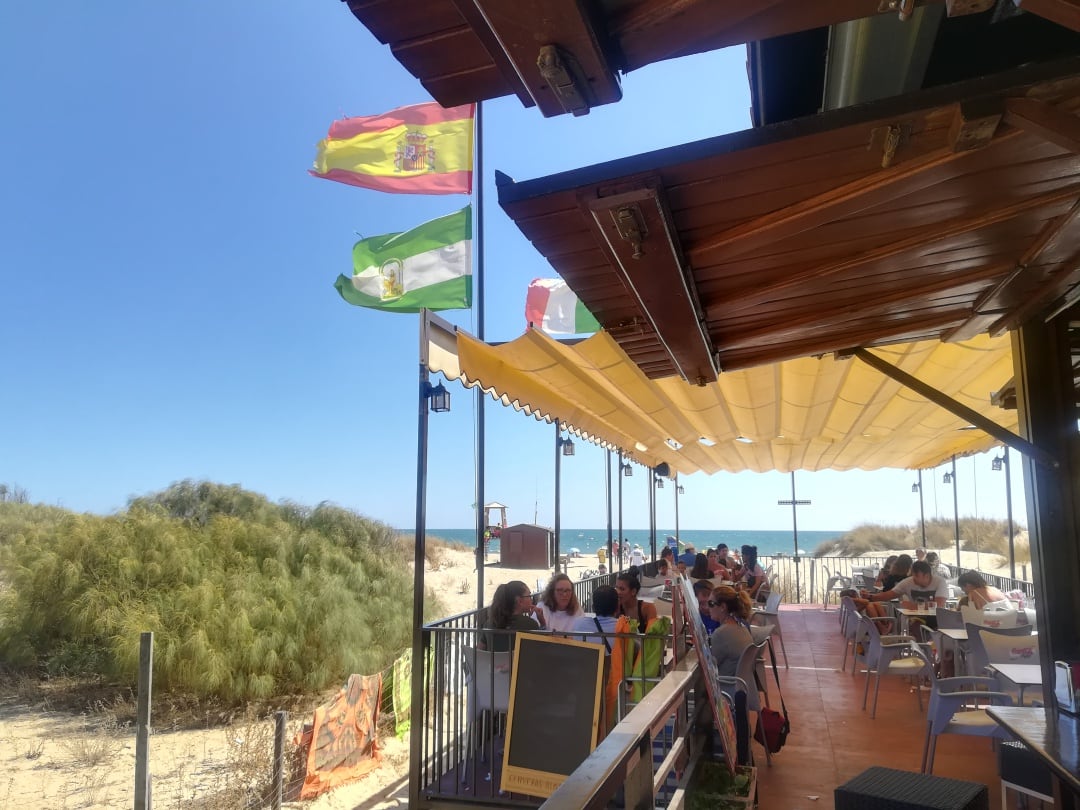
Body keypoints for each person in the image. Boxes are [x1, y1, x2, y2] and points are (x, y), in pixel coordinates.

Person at [478, 581, 541, 651]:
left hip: (492, 662)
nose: (531, 600)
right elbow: (541, 650)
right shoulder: (531, 625)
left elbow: (480, 651)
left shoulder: (489, 624)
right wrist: (542, 622)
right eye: (529, 596)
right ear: (519, 601)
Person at [708, 585, 754, 678]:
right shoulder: (742, 626)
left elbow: (710, 666)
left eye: (711, 603)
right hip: (740, 686)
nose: (708, 607)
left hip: (724, 687)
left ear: (723, 607)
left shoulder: (721, 634)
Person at [865, 560, 948, 610]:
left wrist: (912, 606)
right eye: (913, 575)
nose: (913, 578)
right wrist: (870, 597)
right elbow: (889, 594)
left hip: (936, 618)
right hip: (915, 617)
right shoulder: (908, 582)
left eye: (916, 576)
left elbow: (939, 606)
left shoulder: (940, 582)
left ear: (926, 576)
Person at [570, 585, 619, 650]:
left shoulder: (578, 624)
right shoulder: (625, 628)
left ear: (593, 608)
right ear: (617, 607)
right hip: (615, 660)